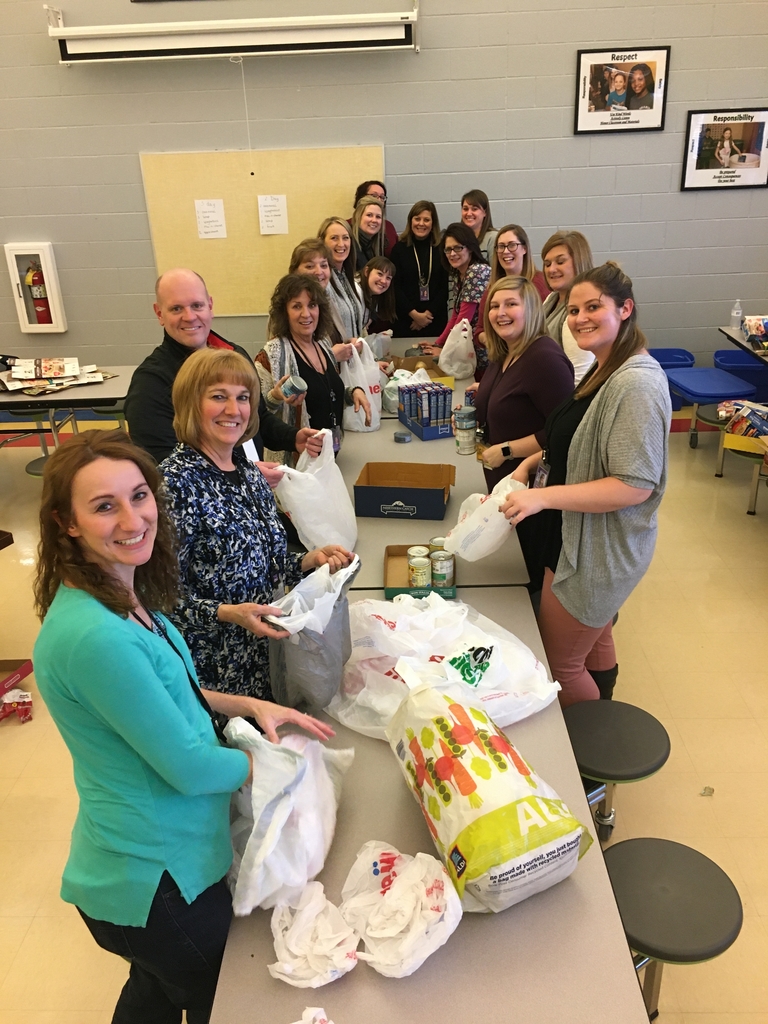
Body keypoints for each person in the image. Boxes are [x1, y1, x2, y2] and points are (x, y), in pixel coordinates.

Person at [32, 428, 334, 1023]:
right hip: (157, 885)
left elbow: (170, 693)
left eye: (139, 496)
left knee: (153, 995)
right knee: (214, 1004)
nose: (131, 518)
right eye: (103, 506)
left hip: (144, 873)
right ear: (66, 523)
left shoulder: (119, 594)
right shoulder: (93, 636)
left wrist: (250, 707)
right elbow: (192, 768)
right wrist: (272, 764)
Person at [499, 262, 671, 708]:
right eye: (574, 310)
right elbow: (575, 439)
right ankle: (606, 704)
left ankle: (590, 748)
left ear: (625, 309)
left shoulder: (636, 383)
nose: (580, 319)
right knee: (591, 640)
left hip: (599, 548)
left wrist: (542, 497)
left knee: (561, 666)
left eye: (593, 307)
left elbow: (633, 485)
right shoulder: (604, 368)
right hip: (578, 532)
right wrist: (527, 467)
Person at [161, 347, 354, 702]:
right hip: (215, 674)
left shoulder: (246, 470)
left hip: (264, 656)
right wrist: (226, 613)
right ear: (190, 403)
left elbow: (267, 566)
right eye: (218, 397)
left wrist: (309, 560)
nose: (234, 410)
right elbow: (155, 597)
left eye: (243, 398)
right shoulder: (173, 486)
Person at [125, 268, 321, 466]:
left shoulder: (234, 356)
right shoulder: (151, 383)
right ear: (159, 314)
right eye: (176, 309)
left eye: (197, 305)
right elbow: (162, 465)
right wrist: (241, 477)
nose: (189, 316)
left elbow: (257, 416)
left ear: (210, 306)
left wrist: (293, 438)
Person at [471, 275, 574, 492]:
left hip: (532, 486)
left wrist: (507, 451)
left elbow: (564, 431)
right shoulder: (504, 352)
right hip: (502, 482)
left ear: (531, 310)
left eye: (511, 304)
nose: (500, 313)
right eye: (494, 306)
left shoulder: (545, 359)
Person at [255, 274, 371, 458]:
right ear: (284, 312)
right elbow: (257, 414)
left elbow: (326, 391)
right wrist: (276, 396)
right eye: (296, 306)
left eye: (312, 305)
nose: (306, 314)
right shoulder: (270, 355)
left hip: (329, 458)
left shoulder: (323, 344)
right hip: (296, 467)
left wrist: (352, 392)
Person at [420, 222, 491, 374]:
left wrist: (444, 350)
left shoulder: (477, 271)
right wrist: (438, 344)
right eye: (448, 249)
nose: (452, 254)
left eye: (458, 248)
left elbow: (464, 320)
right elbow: (455, 316)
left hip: (482, 353)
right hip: (468, 350)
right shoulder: (459, 274)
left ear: (470, 247)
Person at [476, 223, 550, 349]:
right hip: (501, 357)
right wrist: (493, 341)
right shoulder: (492, 288)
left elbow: (546, 326)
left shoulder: (540, 284)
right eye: (501, 247)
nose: (505, 251)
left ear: (524, 248)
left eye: (512, 245)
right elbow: (479, 330)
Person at [541, 231, 596, 385]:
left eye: (560, 262)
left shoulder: (579, 314)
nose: (551, 269)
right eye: (547, 264)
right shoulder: (552, 299)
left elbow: (579, 378)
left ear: (579, 261)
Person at [389, 200, 449, 339]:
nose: (421, 223)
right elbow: (394, 287)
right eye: (417, 219)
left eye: (426, 220)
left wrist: (427, 316)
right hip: (405, 321)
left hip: (434, 320)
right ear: (411, 221)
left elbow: (445, 287)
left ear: (433, 223)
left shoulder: (441, 249)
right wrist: (414, 315)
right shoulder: (399, 249)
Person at [318, 217, 365, 343]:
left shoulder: (347, 277)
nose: (341, 244)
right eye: (334, 238)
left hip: (351, 357)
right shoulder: (321, 282)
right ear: (322, 242)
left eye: (345, 238)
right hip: (332, 358)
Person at [351, 179, 398, 256]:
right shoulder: (346, 228)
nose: (379, 200)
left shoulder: (389, 227)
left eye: (382, 197)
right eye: (374, 196)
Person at [359, 255, 396, 332]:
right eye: (380, 274)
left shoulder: (373, 295)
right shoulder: (356, 291)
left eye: (388, 278)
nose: (383, 281)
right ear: (366, 271)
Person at [460, 189, 498, 264]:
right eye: (465, 209)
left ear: (485, 213)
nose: (469, 213)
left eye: (474, 209)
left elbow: (495, 271)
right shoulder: (458, 238)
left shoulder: (493, 238)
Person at [350, 195, 387, 270]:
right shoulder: (349, 244)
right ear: (358, 217)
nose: (374, 220)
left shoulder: (379, 244)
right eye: (369, 215)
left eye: (378, 217)